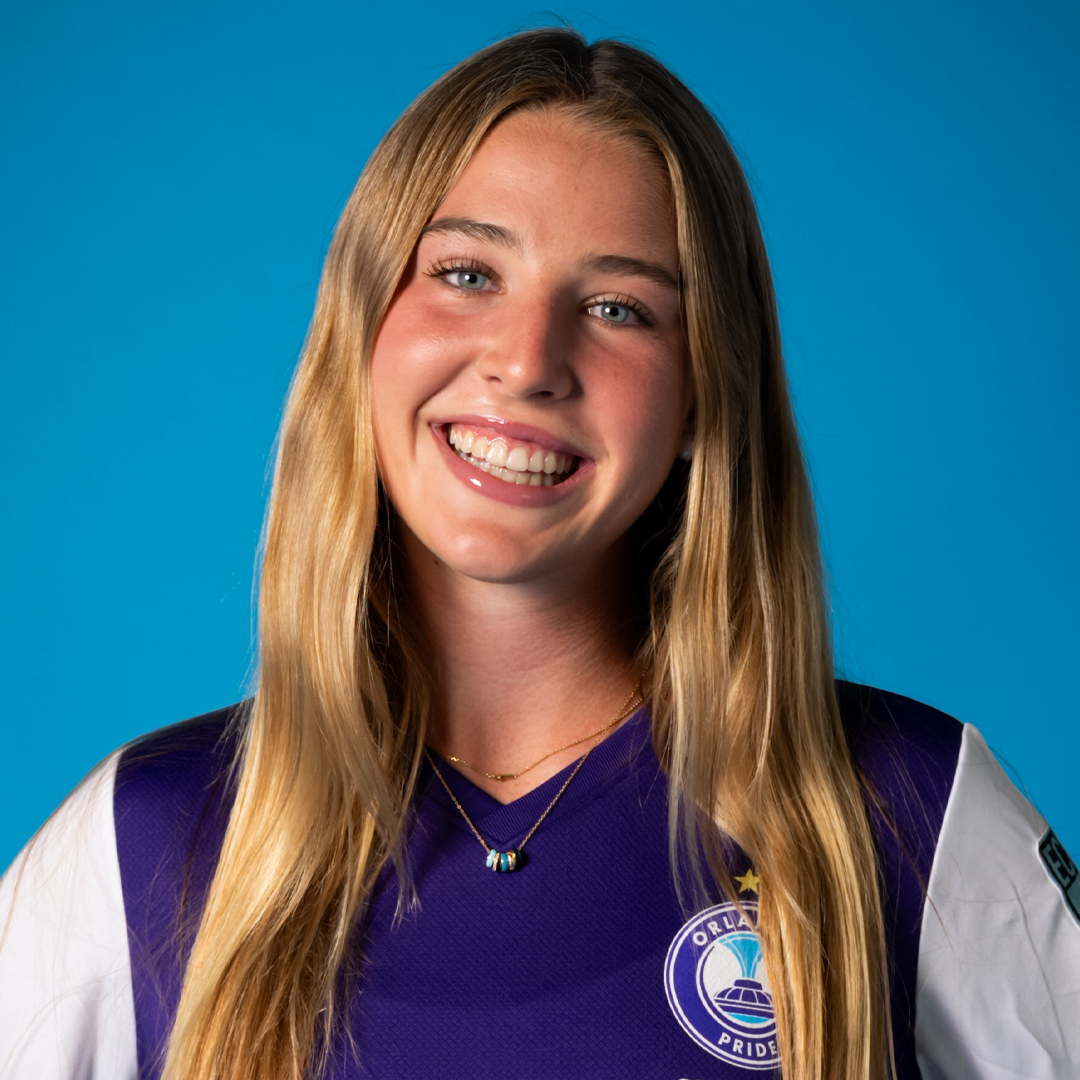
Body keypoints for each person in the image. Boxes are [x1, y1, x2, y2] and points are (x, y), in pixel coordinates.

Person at [1, 27, 1076, 1080]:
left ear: (706, 393)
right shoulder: (141, 841)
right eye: (468, 273)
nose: (527, 363)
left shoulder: (907, 813)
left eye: (619, 308)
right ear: (363, 325)